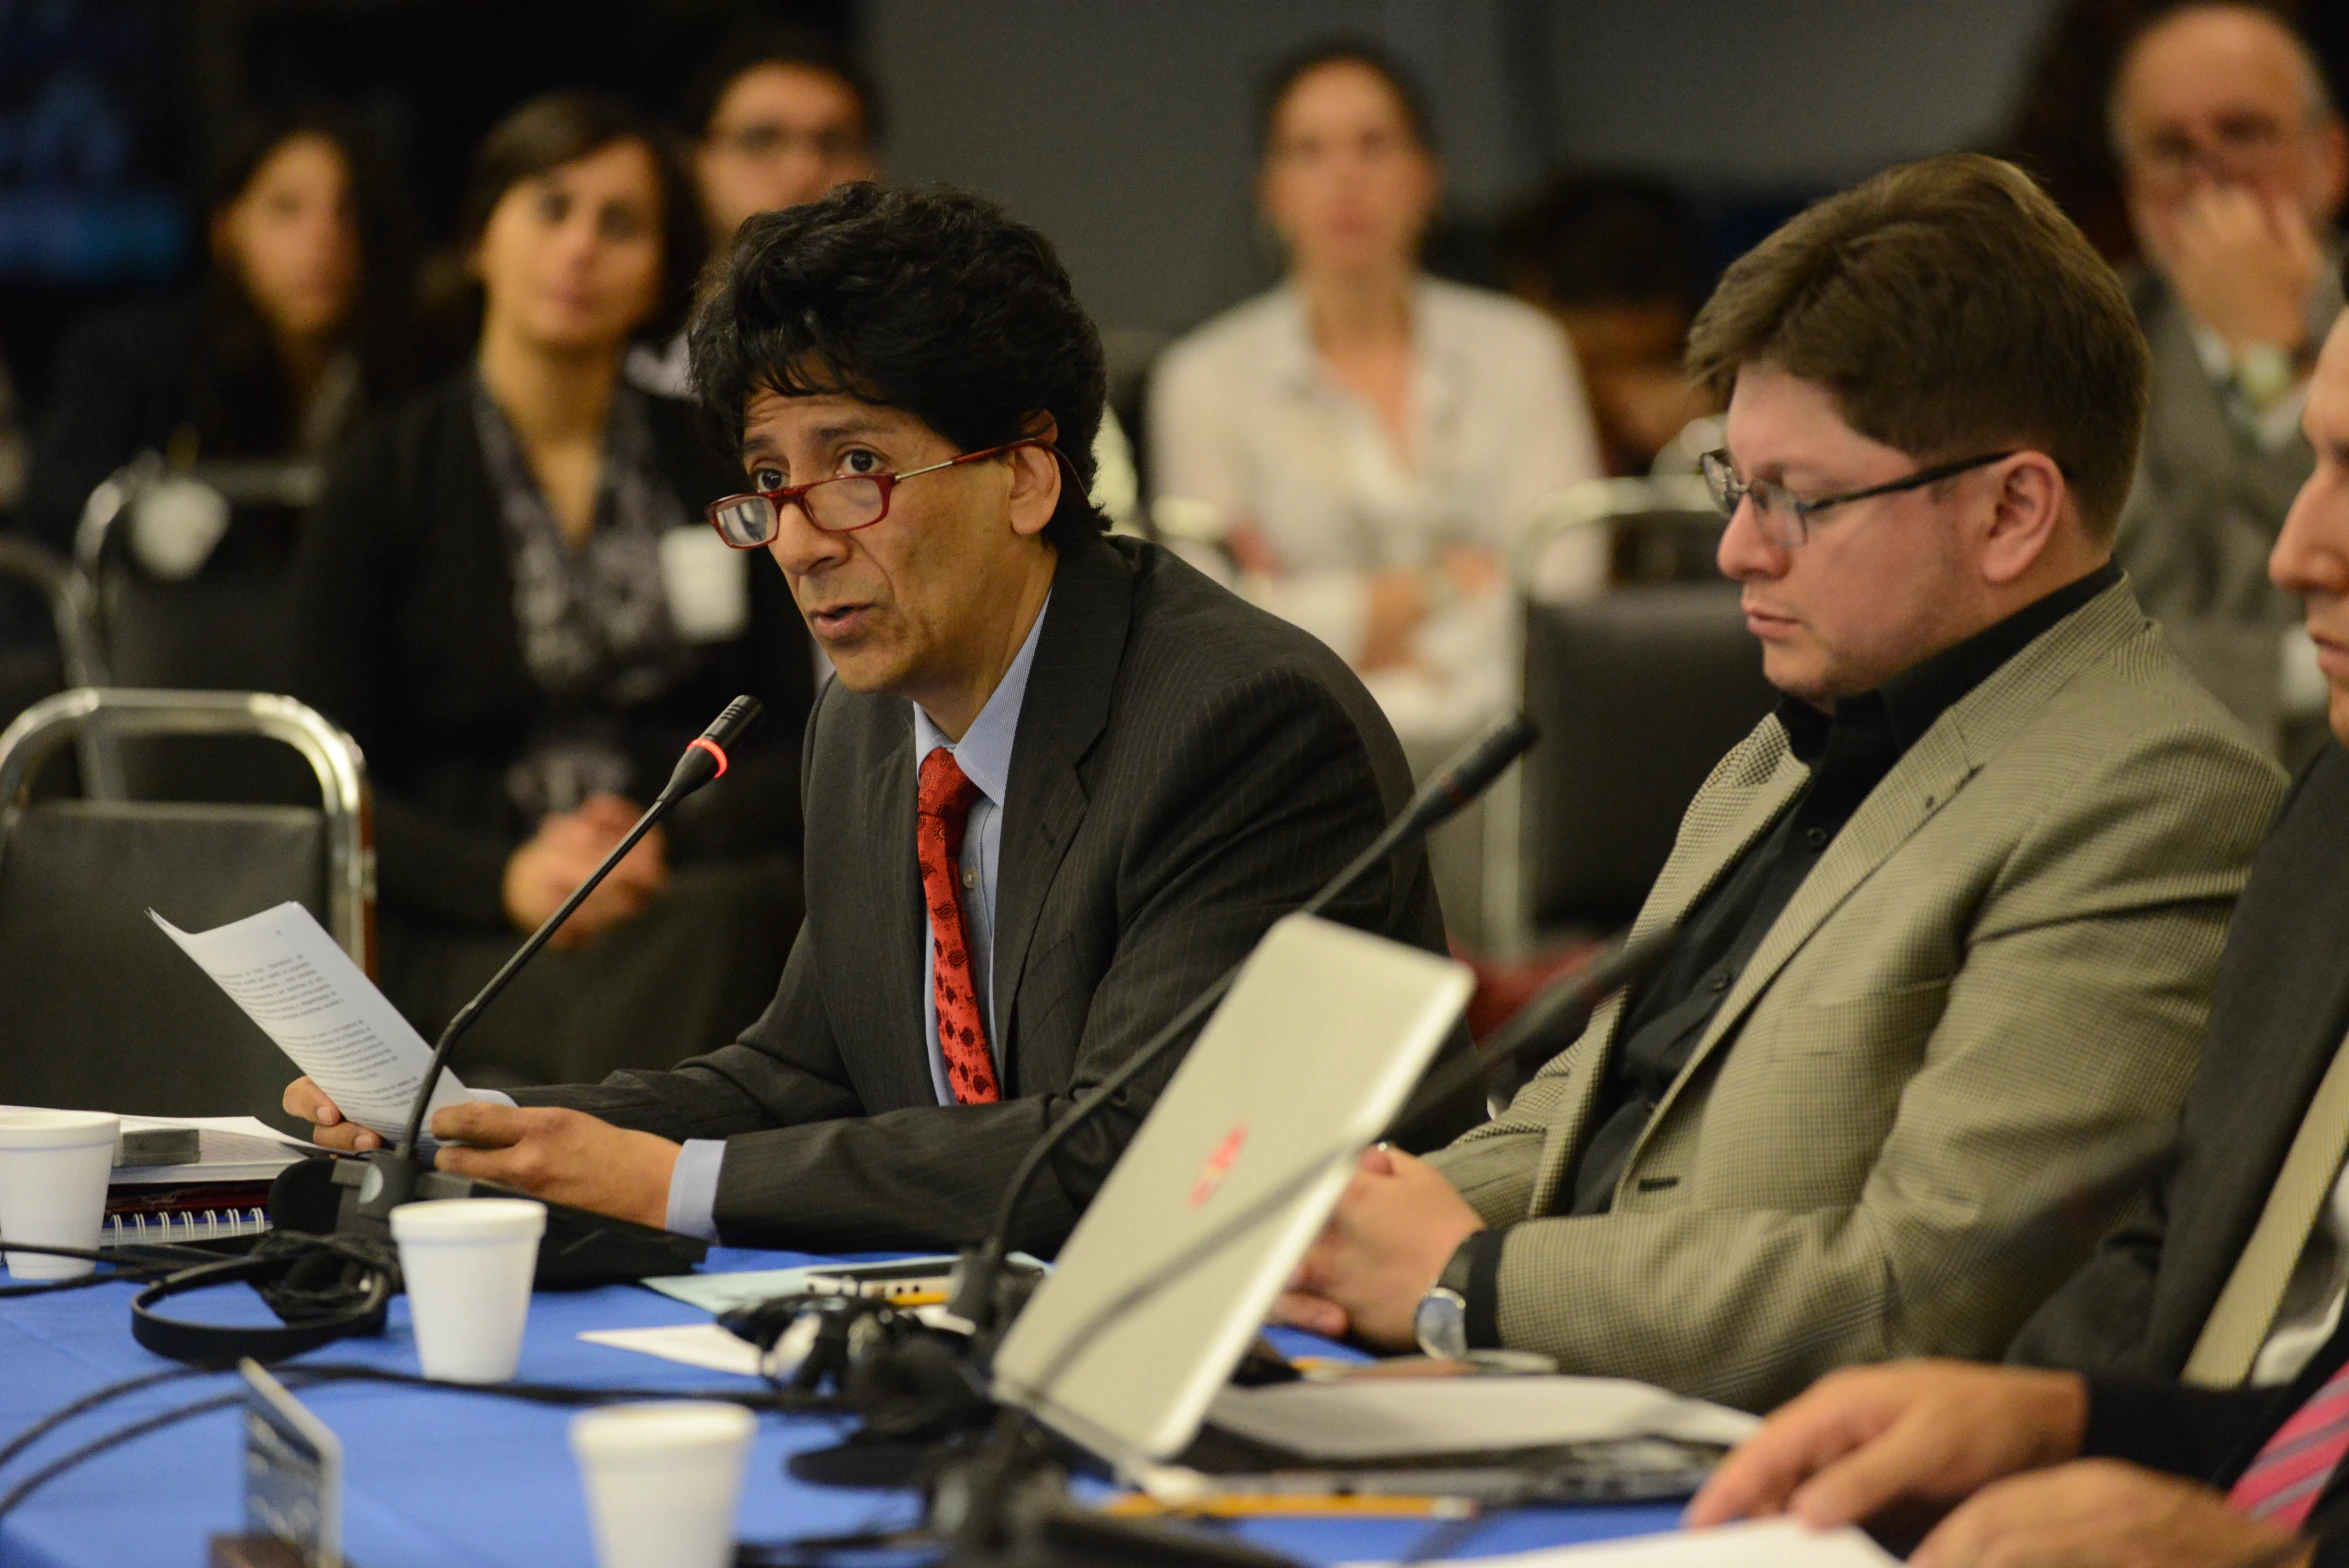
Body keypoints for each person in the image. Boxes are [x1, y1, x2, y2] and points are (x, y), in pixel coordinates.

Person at [1268, 153, 2287, 1414]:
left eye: (1797, 499)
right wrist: (1322, 1230)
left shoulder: (2154, 795)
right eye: (1732, 483)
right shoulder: (1783, 741)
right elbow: (1572, 1125)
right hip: (1562, 1407)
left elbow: (1919, 1293)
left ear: (2013, 509)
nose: (1736, 546)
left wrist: (1466, 1281)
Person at [283, 182, 1476, 1253]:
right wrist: (489, 1123)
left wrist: (672, 1182)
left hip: (1290, 1358)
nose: (800, 540)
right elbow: (801, 1071)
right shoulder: (864, 726)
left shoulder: (1239, 724)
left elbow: (1132, 1154)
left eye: (854, 463)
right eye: (767, 481)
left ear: (1024, 472)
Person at [1685, 296, 2349, 1568]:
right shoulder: (2334, 817)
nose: (2295, 550)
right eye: (2308, 459)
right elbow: (2203, 1259)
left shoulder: (2158, 788)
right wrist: (2048, 1417)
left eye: (1799, 498)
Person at [284, 92, 814, 1086]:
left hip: (684, 889)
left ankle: (587, 1169)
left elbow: (802, 733)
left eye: (620, 223)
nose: (579, 248)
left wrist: (663, 832)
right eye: (551, 207)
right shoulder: (386, 470)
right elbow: (324, 770)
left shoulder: (712, 463)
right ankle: (610, 1173)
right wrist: (504, 876)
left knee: (745, 924)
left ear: (661, 265)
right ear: (482, 233)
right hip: (473, 920)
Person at [1148, 40, 1604, 739]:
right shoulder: (1202, 377)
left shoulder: (1523, 349)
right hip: (1289, 749)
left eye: (1374, 144)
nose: (1344, 177)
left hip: (1506, 744)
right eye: (1309, 150)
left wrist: (1328, 620)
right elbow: (1213, 628)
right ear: (1269, 191)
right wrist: (1447, 587)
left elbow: (1563, 589)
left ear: (1427, 176)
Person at [17, 104, 415, 559]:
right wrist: (136, 522)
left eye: (346, 211)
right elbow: (53, 498)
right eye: (286, 210)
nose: (323, 238)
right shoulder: (137, 357)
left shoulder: (400, 373)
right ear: (227, 229)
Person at [2106, 2, 2346, 718]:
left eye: (2243, 133)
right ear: (2131, 189)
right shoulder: (2075, 353)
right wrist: (2298, 671)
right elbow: (2109, 645)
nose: (2209, 176)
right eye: (2172, 149)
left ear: (2328, 159)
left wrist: (2265, 361)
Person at [626, 23, 879, 401]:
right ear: (689, 161)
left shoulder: (917, 357)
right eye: (763, 139)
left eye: (834, 142)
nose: (804, 171)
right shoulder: (626, 363)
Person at [1500, 170, 1718, 477]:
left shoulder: (1713, 418)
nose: (1628, 392)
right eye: (1598, 365)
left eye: (1651, 364)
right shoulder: (1493, 401)